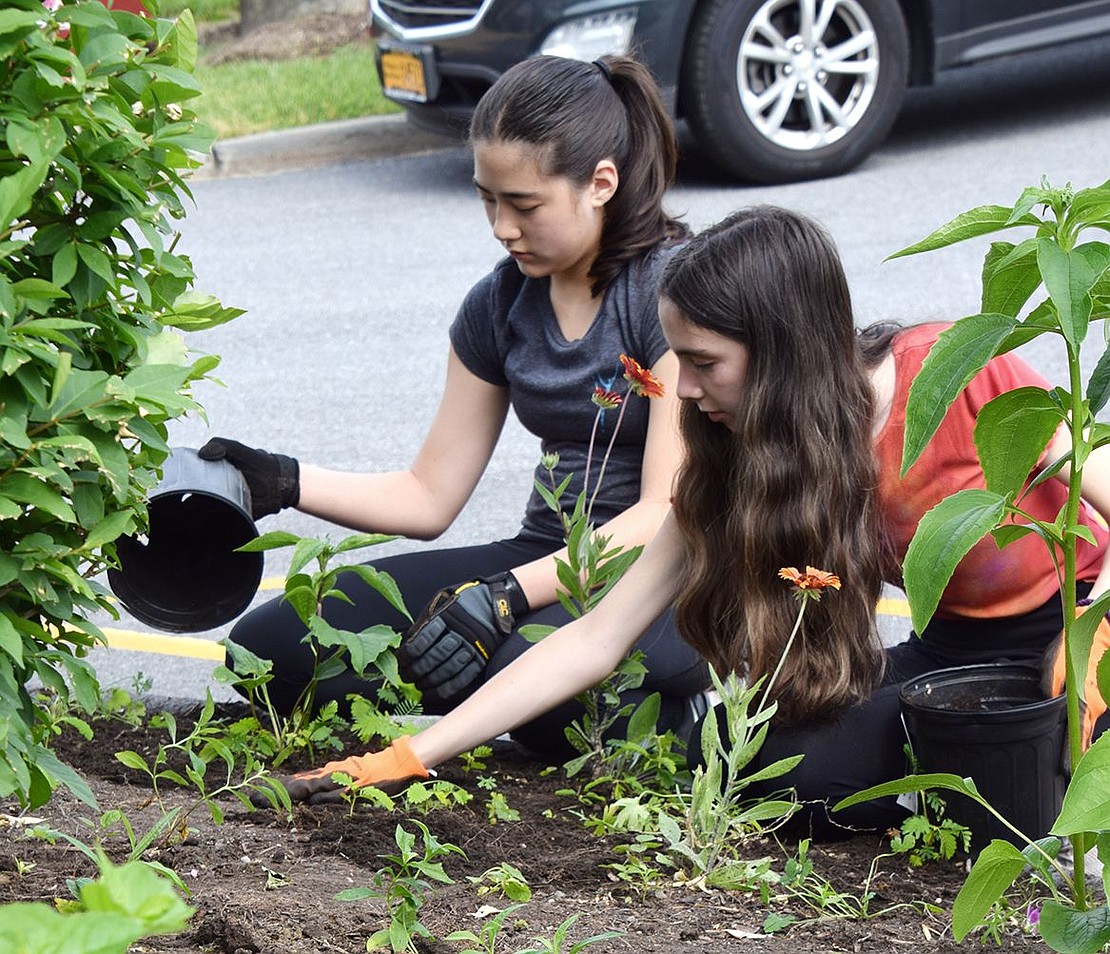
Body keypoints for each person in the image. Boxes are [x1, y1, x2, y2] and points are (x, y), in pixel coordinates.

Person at [279, 205, 1110, 839]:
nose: (683, 392)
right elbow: (597, 637)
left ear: (783, 351)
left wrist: (1090, 648)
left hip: (1075, 628)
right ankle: (979, 767)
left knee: (1018, 775)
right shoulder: (743, 450)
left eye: (704, 363)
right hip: (953, 652)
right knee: (751, 764)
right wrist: (411, 756)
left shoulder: (954, 379)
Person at [199, 54, 710, 759]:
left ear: (600, 184)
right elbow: (428, 495)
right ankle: (510, 692)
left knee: (531, 680)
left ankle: (682, 721)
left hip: (662, 578)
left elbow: (662, 513)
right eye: (487, 200)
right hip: (544, 556)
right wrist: (280, 481)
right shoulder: (499, 304)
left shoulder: (672, 293)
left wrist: (500, 599)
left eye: (524, 205)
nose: (502, 227)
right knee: (274, 649)